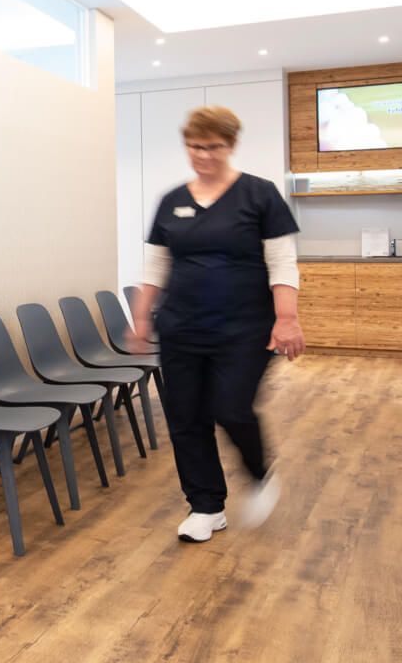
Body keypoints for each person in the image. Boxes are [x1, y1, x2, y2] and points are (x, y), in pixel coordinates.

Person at [126, 105, 304, 543]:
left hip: (245, 327)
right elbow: (157, 265)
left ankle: (260, 473)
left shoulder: (259, 195)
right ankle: (205, 506)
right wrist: (141, 317)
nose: (203, 155)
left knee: (231, 408)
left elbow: (282, 263)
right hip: (182, 327)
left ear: (231, 145)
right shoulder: (172, 200)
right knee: (186, 417)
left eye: (213, 146)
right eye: (194, 146)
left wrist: (287, 319)